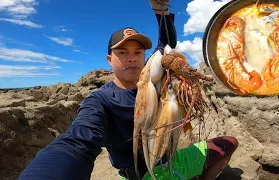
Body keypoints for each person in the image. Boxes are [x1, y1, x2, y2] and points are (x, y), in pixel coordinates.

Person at [18, 0, 238, 180]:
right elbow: (78, 141)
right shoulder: (100, 101)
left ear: (145, 58)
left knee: (230, 143)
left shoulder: (159, 81)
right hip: (138, 175)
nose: (132, 58)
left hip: (172, 161)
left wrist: (160, 10)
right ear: (109, 60)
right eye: (122, 53)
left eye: (138, 52)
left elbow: (167, 47)